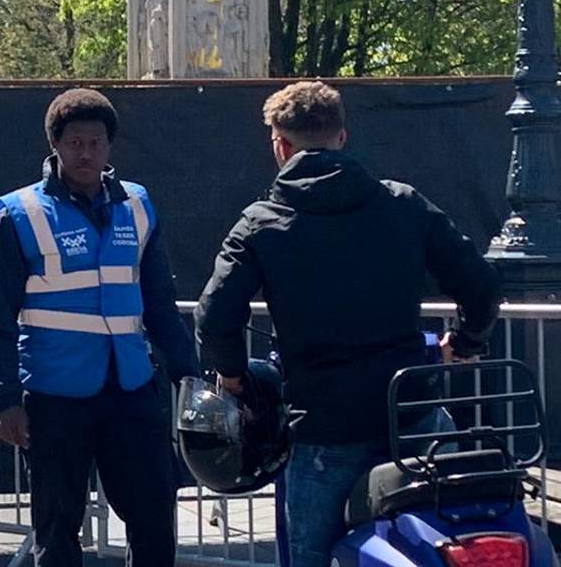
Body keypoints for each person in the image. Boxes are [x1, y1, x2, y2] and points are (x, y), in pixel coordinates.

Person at [195, 81, 502, 567]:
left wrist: (232, 379)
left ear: (280, 145)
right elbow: (481, 285)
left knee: (311, 556)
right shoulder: (402, 203)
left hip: (324, 426)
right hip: (414, 416)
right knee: (444, 549)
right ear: (342, 136)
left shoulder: (262, 223)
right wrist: (465, 341)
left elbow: (214, 316)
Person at [0, 88, 199, 567]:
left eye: (95, 143)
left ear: (109, 148)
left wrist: (191, 375)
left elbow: (160, 304)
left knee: (154, 518)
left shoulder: (137, 205)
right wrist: (6, 400)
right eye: (75, 142)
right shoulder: (20, 213)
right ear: (55, 145)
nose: (86, 153)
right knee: (57, 532)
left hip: (131, 390)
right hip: (54, 397)